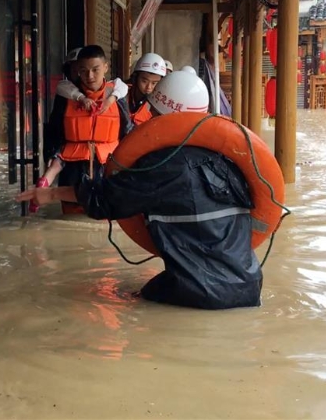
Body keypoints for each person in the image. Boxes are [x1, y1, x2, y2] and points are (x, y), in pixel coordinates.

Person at [17, 67, 263, 310]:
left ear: (168, 118)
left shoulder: (167, 165)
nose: (151, 121)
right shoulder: (226, 160)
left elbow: (106, 198)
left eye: (155, 114)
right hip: (249, 284)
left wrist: (50, 193)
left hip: (199, 291)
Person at [35, 48, 129, 213]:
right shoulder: (67, 95)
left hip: (105, 165)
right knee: (70, 220)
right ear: (78, 71)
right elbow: (55, 127)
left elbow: (126, 130)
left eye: (95, 70)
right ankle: (39, 194)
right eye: (84, 71)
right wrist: (51, 154)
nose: (90, 76)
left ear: (105, 67)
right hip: (73, 167)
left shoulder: (117, 96)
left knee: (105, 213)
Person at [125, 53, 167, 126]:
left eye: (154, 83)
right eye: (144, 81)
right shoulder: (121, 93)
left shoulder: (158, 106)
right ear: (135, 77)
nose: (149, 87)